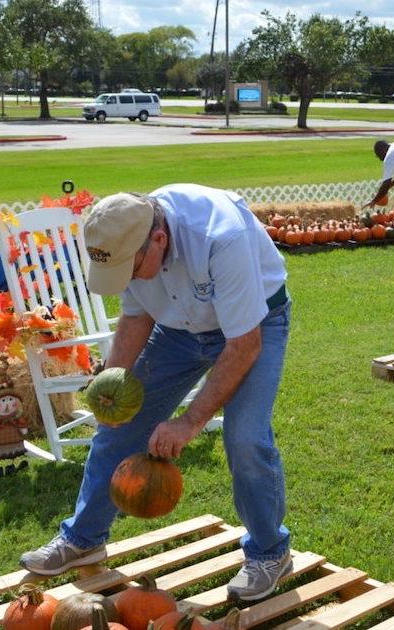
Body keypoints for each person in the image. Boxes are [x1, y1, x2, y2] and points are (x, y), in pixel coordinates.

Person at [19, 185, 294, 602]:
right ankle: (83, 539)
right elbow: (136, 316)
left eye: (130, 269)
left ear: (159, 241)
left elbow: (243, 346)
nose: (125, 279)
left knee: (246, 437)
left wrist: (188, 422)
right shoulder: (125, 235)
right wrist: (112, 383)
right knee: (117, 428)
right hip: (176, 329)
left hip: (254, 326)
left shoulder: (220, 237)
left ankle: (270, 553)